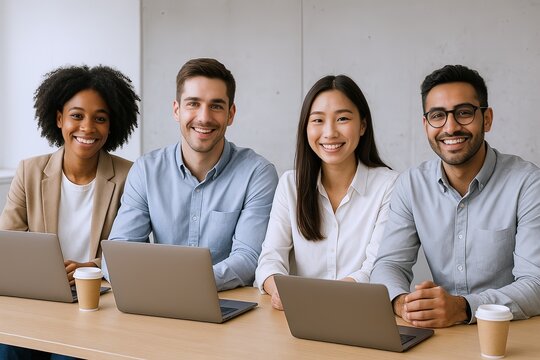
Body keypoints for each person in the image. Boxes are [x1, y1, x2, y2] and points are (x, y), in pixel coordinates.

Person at [370, 64, 540, 328]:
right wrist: (401, 302)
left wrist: (463, 308)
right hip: (443, 336)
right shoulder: (411, 185)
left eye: (464, 113)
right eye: (438, 116)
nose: (450, 127)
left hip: (510, 333)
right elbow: (389, 263)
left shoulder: (527, 183)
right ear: (426, 125)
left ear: (487, 119)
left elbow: (536, 284)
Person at [0, 65, 139, 359]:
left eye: (100, 119)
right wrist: (47, 272)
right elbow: (8, 245)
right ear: (59, 118)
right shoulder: (29, 171)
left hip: (97, 304)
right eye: (76, 115)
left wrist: (91, 267)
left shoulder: (130, 176)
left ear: (112, 125)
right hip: (36, 301)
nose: (87, 128)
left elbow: (133, 251)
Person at [106, 58, 278, 291]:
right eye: (193, 104)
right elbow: (118, 254)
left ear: (231, 114)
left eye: (216, 105)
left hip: (228, 305)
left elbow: (248, 258)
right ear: (177, 110)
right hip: (159, 301)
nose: (204, 117)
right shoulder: (146, 170)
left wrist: (178, 283)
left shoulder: (257, 174)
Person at [255, 75, 398, 310]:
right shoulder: (291, 184)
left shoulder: (388, 185)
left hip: (360, 312)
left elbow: (376, 268)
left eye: (342, 118)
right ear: (306, 127)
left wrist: (324, 298)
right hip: (299, 316)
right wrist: (277, 288)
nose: (330, 132)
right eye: (318, 120)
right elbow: (270, 260)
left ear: (362, 125)